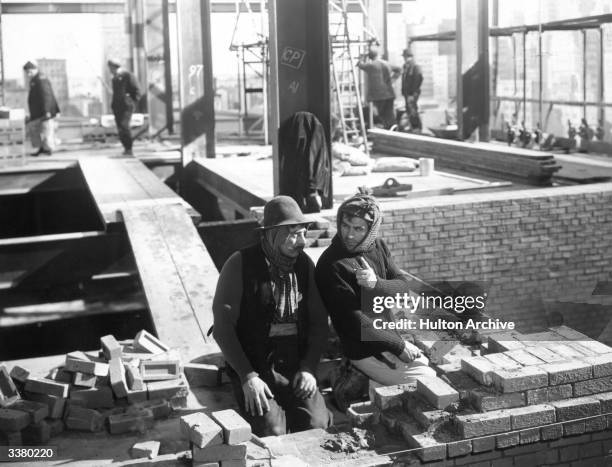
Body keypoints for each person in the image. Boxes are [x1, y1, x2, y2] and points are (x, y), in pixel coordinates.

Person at [212, 196, 332, 436]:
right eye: (292, 234)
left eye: (303, 234)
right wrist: (248, 377)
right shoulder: (240, 264)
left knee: (316, 425)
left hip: (294, 365)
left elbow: (319, 324)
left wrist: (308, 368)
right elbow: (222, 328)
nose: (301, 242)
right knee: (273, 431)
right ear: (272, 233)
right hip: (254, 363)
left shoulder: (304, 265)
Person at [315, 193, 435, 409]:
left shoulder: (377, 246)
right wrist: (398, 346)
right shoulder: (330, 265)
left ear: (370, 230)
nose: (349, 234)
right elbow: (352, 321)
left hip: (387, 337)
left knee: (426, 365)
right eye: (345, 225)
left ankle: (374, 385)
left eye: (358, 229)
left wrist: (377, 283)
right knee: (427, 379)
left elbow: (402, 288)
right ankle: (356, 379)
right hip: (363, 349)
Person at [356, 47, 401, 130]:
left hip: (378, 96)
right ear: (378, 55)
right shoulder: (387, 63)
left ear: (370, 57)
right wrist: (392, 80)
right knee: (389, 114)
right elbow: (399, 69)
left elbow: (359, 64)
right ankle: (393, 128)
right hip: (389, 94)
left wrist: (362, 57)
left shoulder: (371, 65)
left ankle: (388, 129)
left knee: (381, 114)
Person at [23, 61, 60, 156]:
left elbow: (46, 96)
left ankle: (48, 149)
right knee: (38, 129)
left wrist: (47, 111)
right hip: (39, 112)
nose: (28, 74)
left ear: (34, 70)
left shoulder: (41, 79)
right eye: (27, 72)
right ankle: (42, 148)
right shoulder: (35, 79)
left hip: (45, 112)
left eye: (29, 72)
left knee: (46, 130)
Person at [107, 59, 141, 156]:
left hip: (126, 105)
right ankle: (126, 148)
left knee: (124, 125)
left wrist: (130, 101)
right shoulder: (115, 79)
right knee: (120, 127)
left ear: (115, 67)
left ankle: (129, 148)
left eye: (111, 68)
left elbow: (137, 90)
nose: (110, 70)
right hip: (117, 106)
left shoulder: (127, 76)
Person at [401, 50, 424, 131]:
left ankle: (416, 127)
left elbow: (418, 78)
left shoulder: (415, 66)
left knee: (412, 109)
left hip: (411, 93)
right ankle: (414, 127)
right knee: (410, 109)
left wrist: (412, 92)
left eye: (405, 57)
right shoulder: (406, 66)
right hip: (407, 93)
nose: (404, 59)